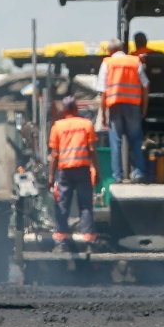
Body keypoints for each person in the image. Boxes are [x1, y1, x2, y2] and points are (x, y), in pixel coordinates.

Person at [48, 96, 100, 252]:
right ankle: (89, 242)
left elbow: (55, 155)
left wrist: (51, 177)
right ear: (77, 109)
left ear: (63, 111)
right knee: (85, 206)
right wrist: (96, 171)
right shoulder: (86, 124)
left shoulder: (57, 127)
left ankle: (61, 243)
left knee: (62, 205)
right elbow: (92, 150)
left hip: (64, 172)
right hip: (83, 171)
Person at [96, 38, 148, 182]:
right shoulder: (135, 61)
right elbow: (145, 85)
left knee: (116, 141)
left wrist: (103, 114)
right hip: (133, 106)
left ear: (110, 51)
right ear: (122, 48)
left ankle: (118, 176)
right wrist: (144, 108)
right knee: (136, 139)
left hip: (114, 106)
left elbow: (103, 91)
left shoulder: (107, 63)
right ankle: (138, 173)